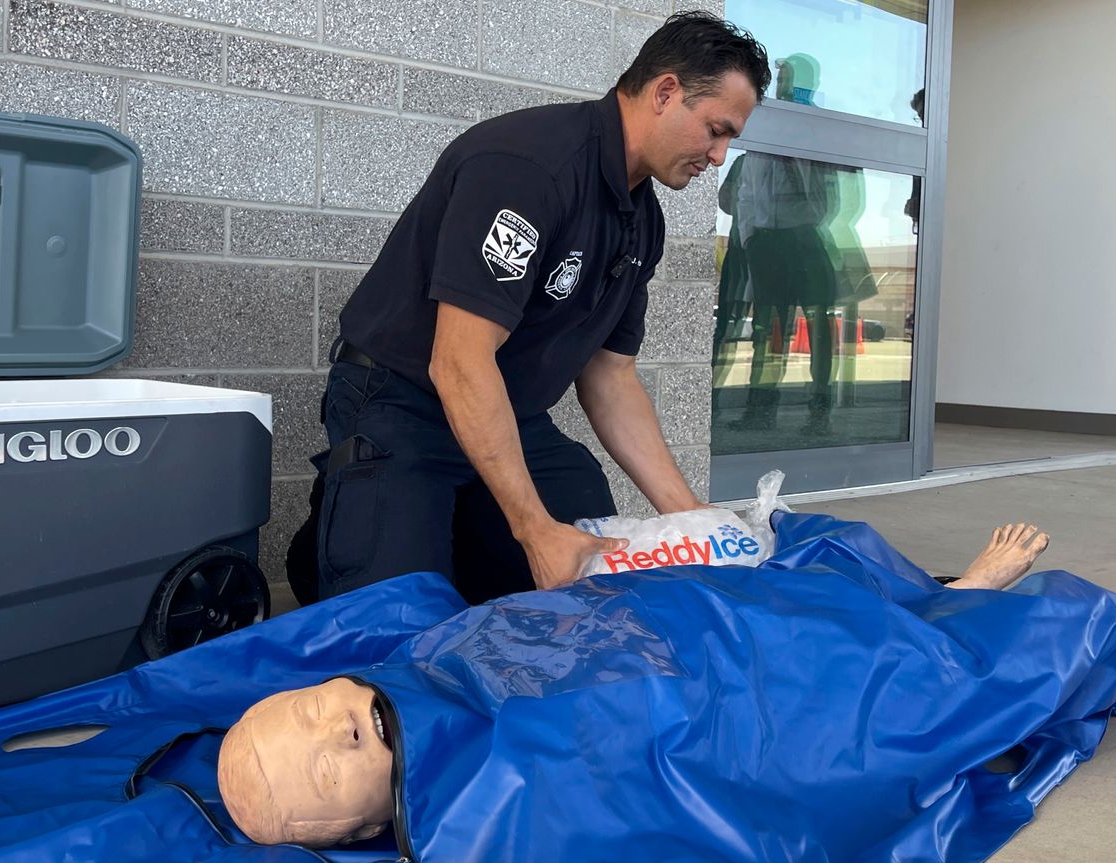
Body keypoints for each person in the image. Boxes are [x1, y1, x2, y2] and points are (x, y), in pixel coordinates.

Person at [285, 12, 772, 607]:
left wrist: (691, 516)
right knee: (397, 619)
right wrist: (533, 531)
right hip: (401, 400)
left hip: (508, 412)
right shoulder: (529, 168)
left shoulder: (642, 221)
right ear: (666, 92)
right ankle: (345, 528)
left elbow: (610, 375)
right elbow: (459, 362)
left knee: (589, 539)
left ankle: (439, 529)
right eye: (716, 130)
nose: (719, 157)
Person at [231, 523, 1055, 848]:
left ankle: (921, 612)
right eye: (326, 771)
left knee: (779, 608)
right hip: (709, 704)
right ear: (354, 834)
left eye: (309, 711)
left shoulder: (432, 649)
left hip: (675, 629)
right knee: (829, 702)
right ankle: (953, 614)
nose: (333, 732)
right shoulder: (489, 831)